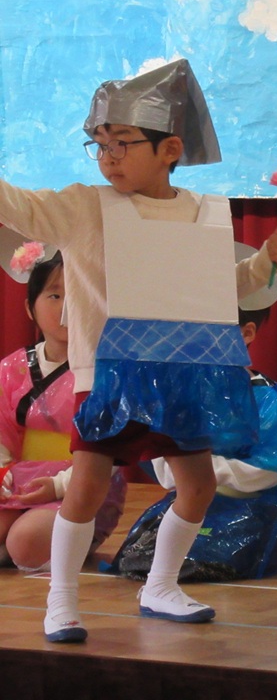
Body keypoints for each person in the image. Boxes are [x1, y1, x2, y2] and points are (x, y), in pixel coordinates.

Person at [0, 59, 277, 643]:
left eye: (122, 143)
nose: (108, 157)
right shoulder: (85, 206)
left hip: (181, 371)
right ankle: (62, 600)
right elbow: (20, 206)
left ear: (170, 149)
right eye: (99, 144)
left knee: (198, 485)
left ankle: (160, 586)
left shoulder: (200, 212)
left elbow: (219, 288)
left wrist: (264, 264)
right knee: (85, 485)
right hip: (108, 375)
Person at [110, 246, 277, 582]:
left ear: (246, 333)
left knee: (213, 557)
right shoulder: (179, 391)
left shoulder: (264, 396)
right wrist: (187, 476)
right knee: (139, 555)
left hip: (246, 507)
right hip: (186, 501)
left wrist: (203, 472)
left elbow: (272, 467)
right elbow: (158, 451)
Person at [0, 244, 125, 571]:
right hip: (21, 482)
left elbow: (112, 450)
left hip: (84, 484)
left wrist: (58, 485)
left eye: (78, 294)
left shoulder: (107, 370)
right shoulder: (10, 368)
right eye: (55, 296)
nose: (68, 307)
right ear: (30, 308)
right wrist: (3, 477)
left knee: (25, 543)